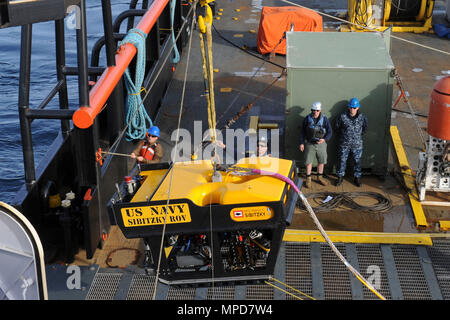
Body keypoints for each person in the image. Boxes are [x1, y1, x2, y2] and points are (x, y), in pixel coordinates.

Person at [335, 97, 368, 187]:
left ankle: (357, 178)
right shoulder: (342, 117)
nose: (352, 109)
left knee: (357, 161)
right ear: (348, 107)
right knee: (342, 160)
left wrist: (356, 137)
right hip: (344, 144)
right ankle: (340, 177)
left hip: (357, 145)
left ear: (357, 108)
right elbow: (337, 128)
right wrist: (345, 137)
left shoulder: (362, 118)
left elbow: (365, 128)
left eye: (354, 108)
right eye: (351, 107)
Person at [299, 101, 332, 188]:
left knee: (321, 161)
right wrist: (301, 143)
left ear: (320, 110)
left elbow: (330, 131)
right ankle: (308, 178)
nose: (315, 112)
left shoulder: (325, 119)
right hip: (310, 143)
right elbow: (302, 131)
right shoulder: (307, 118)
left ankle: (320, 177)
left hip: (321, 144)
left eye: (317, 110)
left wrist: (324, 139)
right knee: (308, 161)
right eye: (313, 110)